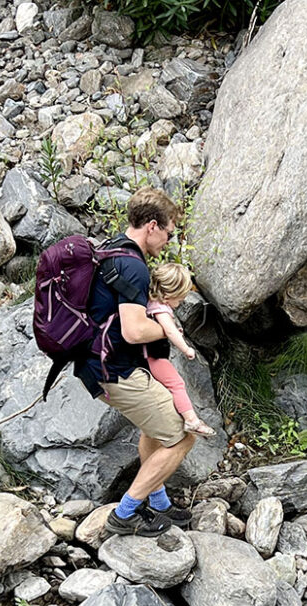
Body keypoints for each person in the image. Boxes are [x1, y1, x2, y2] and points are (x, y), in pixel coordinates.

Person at [74, 186, 197, 538]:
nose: (168, 241)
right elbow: (134, 330)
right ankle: (125, 513)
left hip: (98, 364)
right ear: (153, 226)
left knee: (153, 428)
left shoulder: (113, 247)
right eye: (169, 233)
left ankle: (159, 503)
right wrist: (169, 328)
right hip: (116, 370)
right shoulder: (133, 267)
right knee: (182, 436)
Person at [146, 263, 216, 438]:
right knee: (176, 384)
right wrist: (186, 349)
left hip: (149, 355)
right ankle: (191, 420)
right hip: (152, 357)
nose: (180, 303)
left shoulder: (152, 303)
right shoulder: (160, 309)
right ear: (168, 295)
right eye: (179, 300)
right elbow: (169, 331)